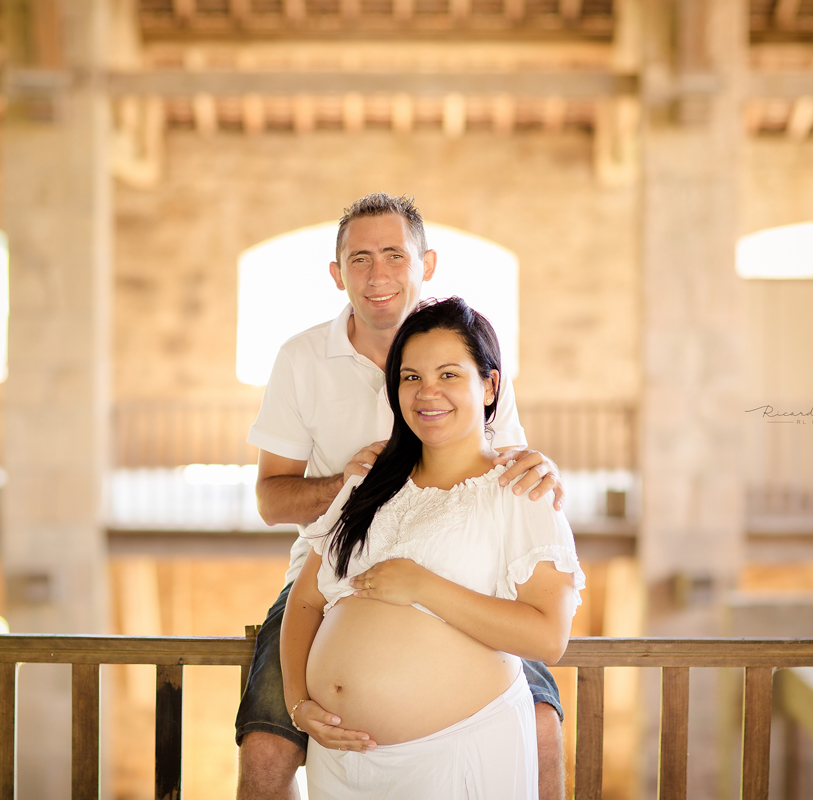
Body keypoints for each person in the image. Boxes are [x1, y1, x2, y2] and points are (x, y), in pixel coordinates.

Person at [236, 193, 567, 800]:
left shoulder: (471, 353)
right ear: (337, 275)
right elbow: (270, 500)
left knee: (544, 723)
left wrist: (542, 468)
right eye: (359, 259)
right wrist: (348, 488)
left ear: (427, 264)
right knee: (264, 744)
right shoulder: (301, 359)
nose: (378, 273)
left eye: (394, 254)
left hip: (465, 573)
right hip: (335, 557)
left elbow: (506, 464)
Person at [281, 297, 584, 798]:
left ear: (488, 386)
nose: (427, 393)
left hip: (452, 761)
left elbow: (549, 637)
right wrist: (299, 703)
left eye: (448, 375)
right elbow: (308, 598)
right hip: (338, 764)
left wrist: (423, 587)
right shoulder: (370, 483)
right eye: (411, 377)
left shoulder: (521, 489)